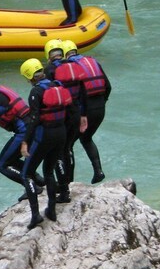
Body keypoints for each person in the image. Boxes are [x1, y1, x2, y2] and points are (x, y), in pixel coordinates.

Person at [19, 58, 75, 230]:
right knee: (49, 172)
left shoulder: (36, 92)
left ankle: (35, 215)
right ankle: (51, 209)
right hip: (61, 133)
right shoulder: (57, 85)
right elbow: (70, 112)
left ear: (29, 76)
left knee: (26, 175)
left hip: (45, 135)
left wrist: (25, 142)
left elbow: (34, 119)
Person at [0, 70, 44, 200]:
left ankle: (31, 185)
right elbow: (1, 110)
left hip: (23, 132)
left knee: (1, 164)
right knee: (12, 160)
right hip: (31, 127)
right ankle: (38, 180)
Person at [43, 38, 89, 202]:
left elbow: (47, 95)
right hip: (76, 113)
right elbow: (83, 92)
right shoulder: (74, 66)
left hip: (61, 116)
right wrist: (83, 115)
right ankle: (69, 181)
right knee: (68, 148)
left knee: (57, 152)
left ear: (48, 55)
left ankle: (63, 189)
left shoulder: (49, 69)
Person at [62, 39, 112, 183]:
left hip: (85, 109)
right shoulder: (93, 62)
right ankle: (98, 171)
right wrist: (102, 103)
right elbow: (108, 87)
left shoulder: (70, 67)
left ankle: (68, 181)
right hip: (100, 107)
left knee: (68, 144)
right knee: (86, 138)